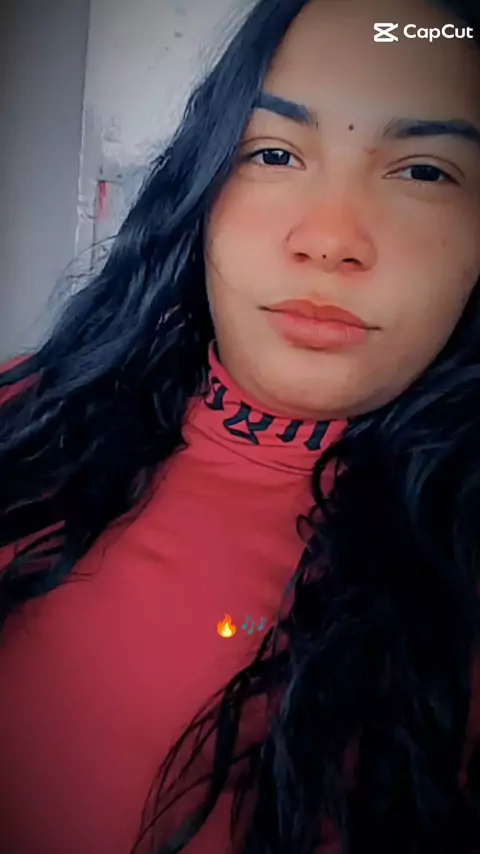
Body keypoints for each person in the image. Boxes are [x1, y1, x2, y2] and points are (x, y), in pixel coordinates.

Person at [1, 0, 480, 851]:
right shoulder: (26, 419)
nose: (328, 240)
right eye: (274, 153)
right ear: (205, 192)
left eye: (423, 171)